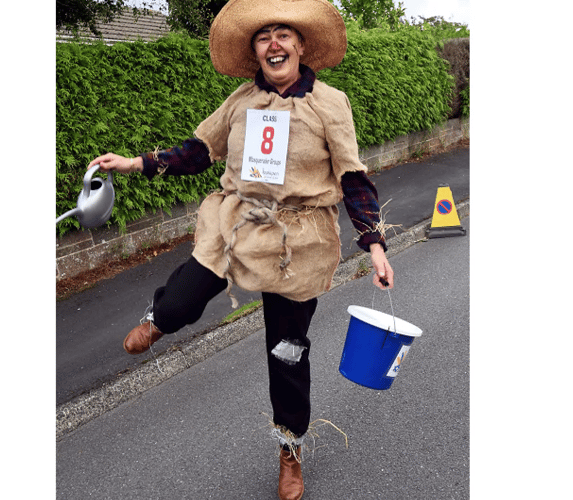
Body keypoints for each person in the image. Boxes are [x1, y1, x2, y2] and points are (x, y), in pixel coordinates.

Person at [87, 1, 393, 498]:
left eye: (283, 35)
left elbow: (353, 177)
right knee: (185, 297)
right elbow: (197, 152)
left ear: (300, 46)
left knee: (287, 351)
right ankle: (159, 316)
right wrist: (135, 163)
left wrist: (374, 243)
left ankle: (289, 450)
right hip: (238, 223)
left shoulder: (330, 103)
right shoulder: (241, 101)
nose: (274, 44)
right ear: (255, 51)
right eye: (263, 37)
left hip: (300, 241)